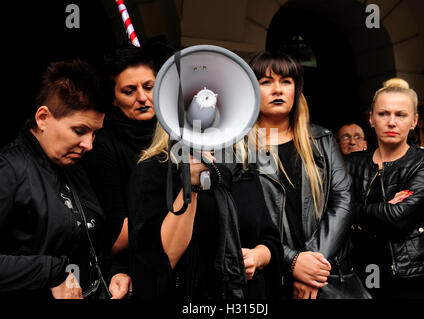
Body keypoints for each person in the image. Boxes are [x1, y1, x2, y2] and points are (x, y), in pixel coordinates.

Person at [247, 51, 369, 299]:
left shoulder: (321, 139)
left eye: (286, 81)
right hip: (270, 279)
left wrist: (310, 265)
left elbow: (343, 200)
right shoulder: (237, 150)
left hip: (328, 276)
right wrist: (292, 262)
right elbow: (242, 221)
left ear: (296, 89)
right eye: (266, 82)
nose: (278, 90)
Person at [127, 126, 283, 299]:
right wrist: (191, 184)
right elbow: (158, 263)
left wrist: (256, 257)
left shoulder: (242, 169)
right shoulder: (154, 171)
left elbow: (270, 240)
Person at [0, 60, 108, 299]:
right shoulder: (9, 169)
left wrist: (115, 272)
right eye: (79, 131)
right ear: (42, 118)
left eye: (95, 133)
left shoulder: (74, 167)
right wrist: (52, 273)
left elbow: (89, 238)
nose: (89, 145)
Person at [346, 78, 424, 299]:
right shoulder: (354, 162)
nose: (391, 122)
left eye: (400, 115)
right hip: (362, 266)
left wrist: (356, 211)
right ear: (371, 119)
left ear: (414, 121)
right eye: (383, 114)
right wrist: (382, 208)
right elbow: (335, 212)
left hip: (410, 271)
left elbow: (398, 216)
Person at [82, 43, 165, 298]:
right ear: (113, 98)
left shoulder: (174, 132)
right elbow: (116, 239)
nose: (142, 98)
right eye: (129, 91)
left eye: (149, 87)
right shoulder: (103, 147)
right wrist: (178, 198)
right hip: (133, 275)